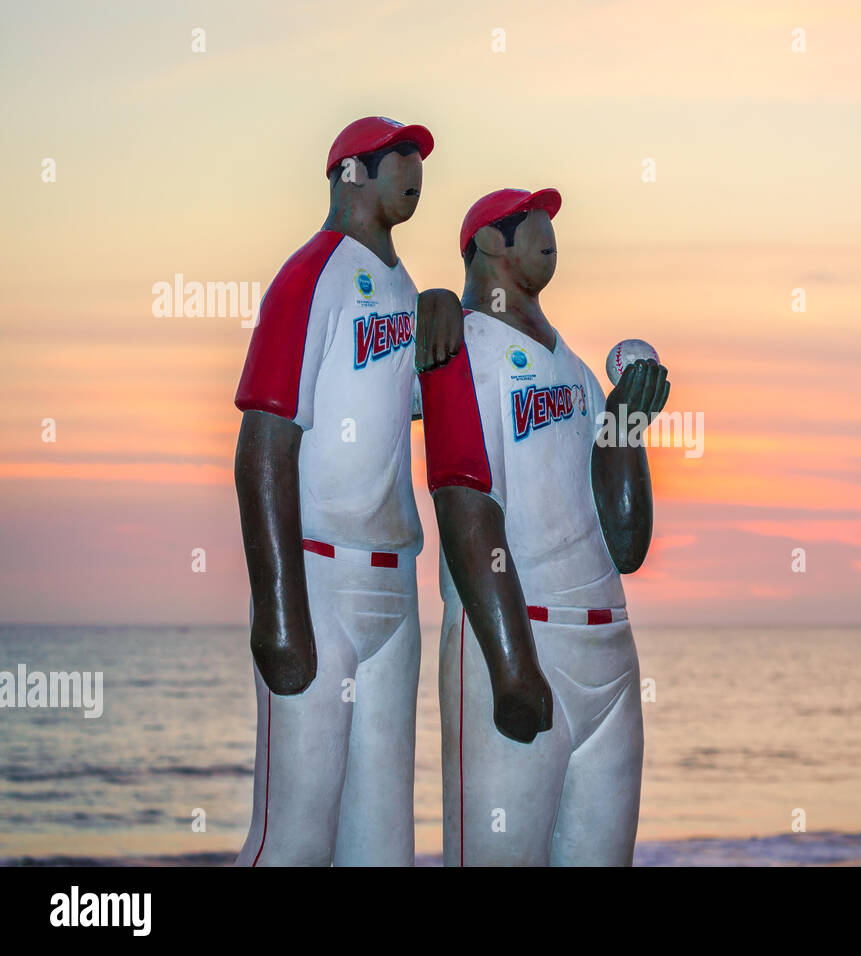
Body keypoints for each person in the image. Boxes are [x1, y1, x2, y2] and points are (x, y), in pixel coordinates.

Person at [231, 116, 462, 866]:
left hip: (395, 594)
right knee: (292, 841)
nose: (414, 166)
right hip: (320, 579)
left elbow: (431, 404)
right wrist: (276, 609)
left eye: (418, 156)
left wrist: (453, 311)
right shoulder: (312, 273)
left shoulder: (402, 285)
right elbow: (263, 441)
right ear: (350, 173)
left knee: (381, 847)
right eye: (399, 155)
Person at [419, 187, 670, 865]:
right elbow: (465, 502)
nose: (546, 228)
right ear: (489, 243)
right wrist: (510, 665)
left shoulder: (578, 370)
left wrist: (625, 427)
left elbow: (626, 544)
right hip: (521, 632)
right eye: (530, 220)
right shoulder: (461, 345)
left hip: (607, 644)